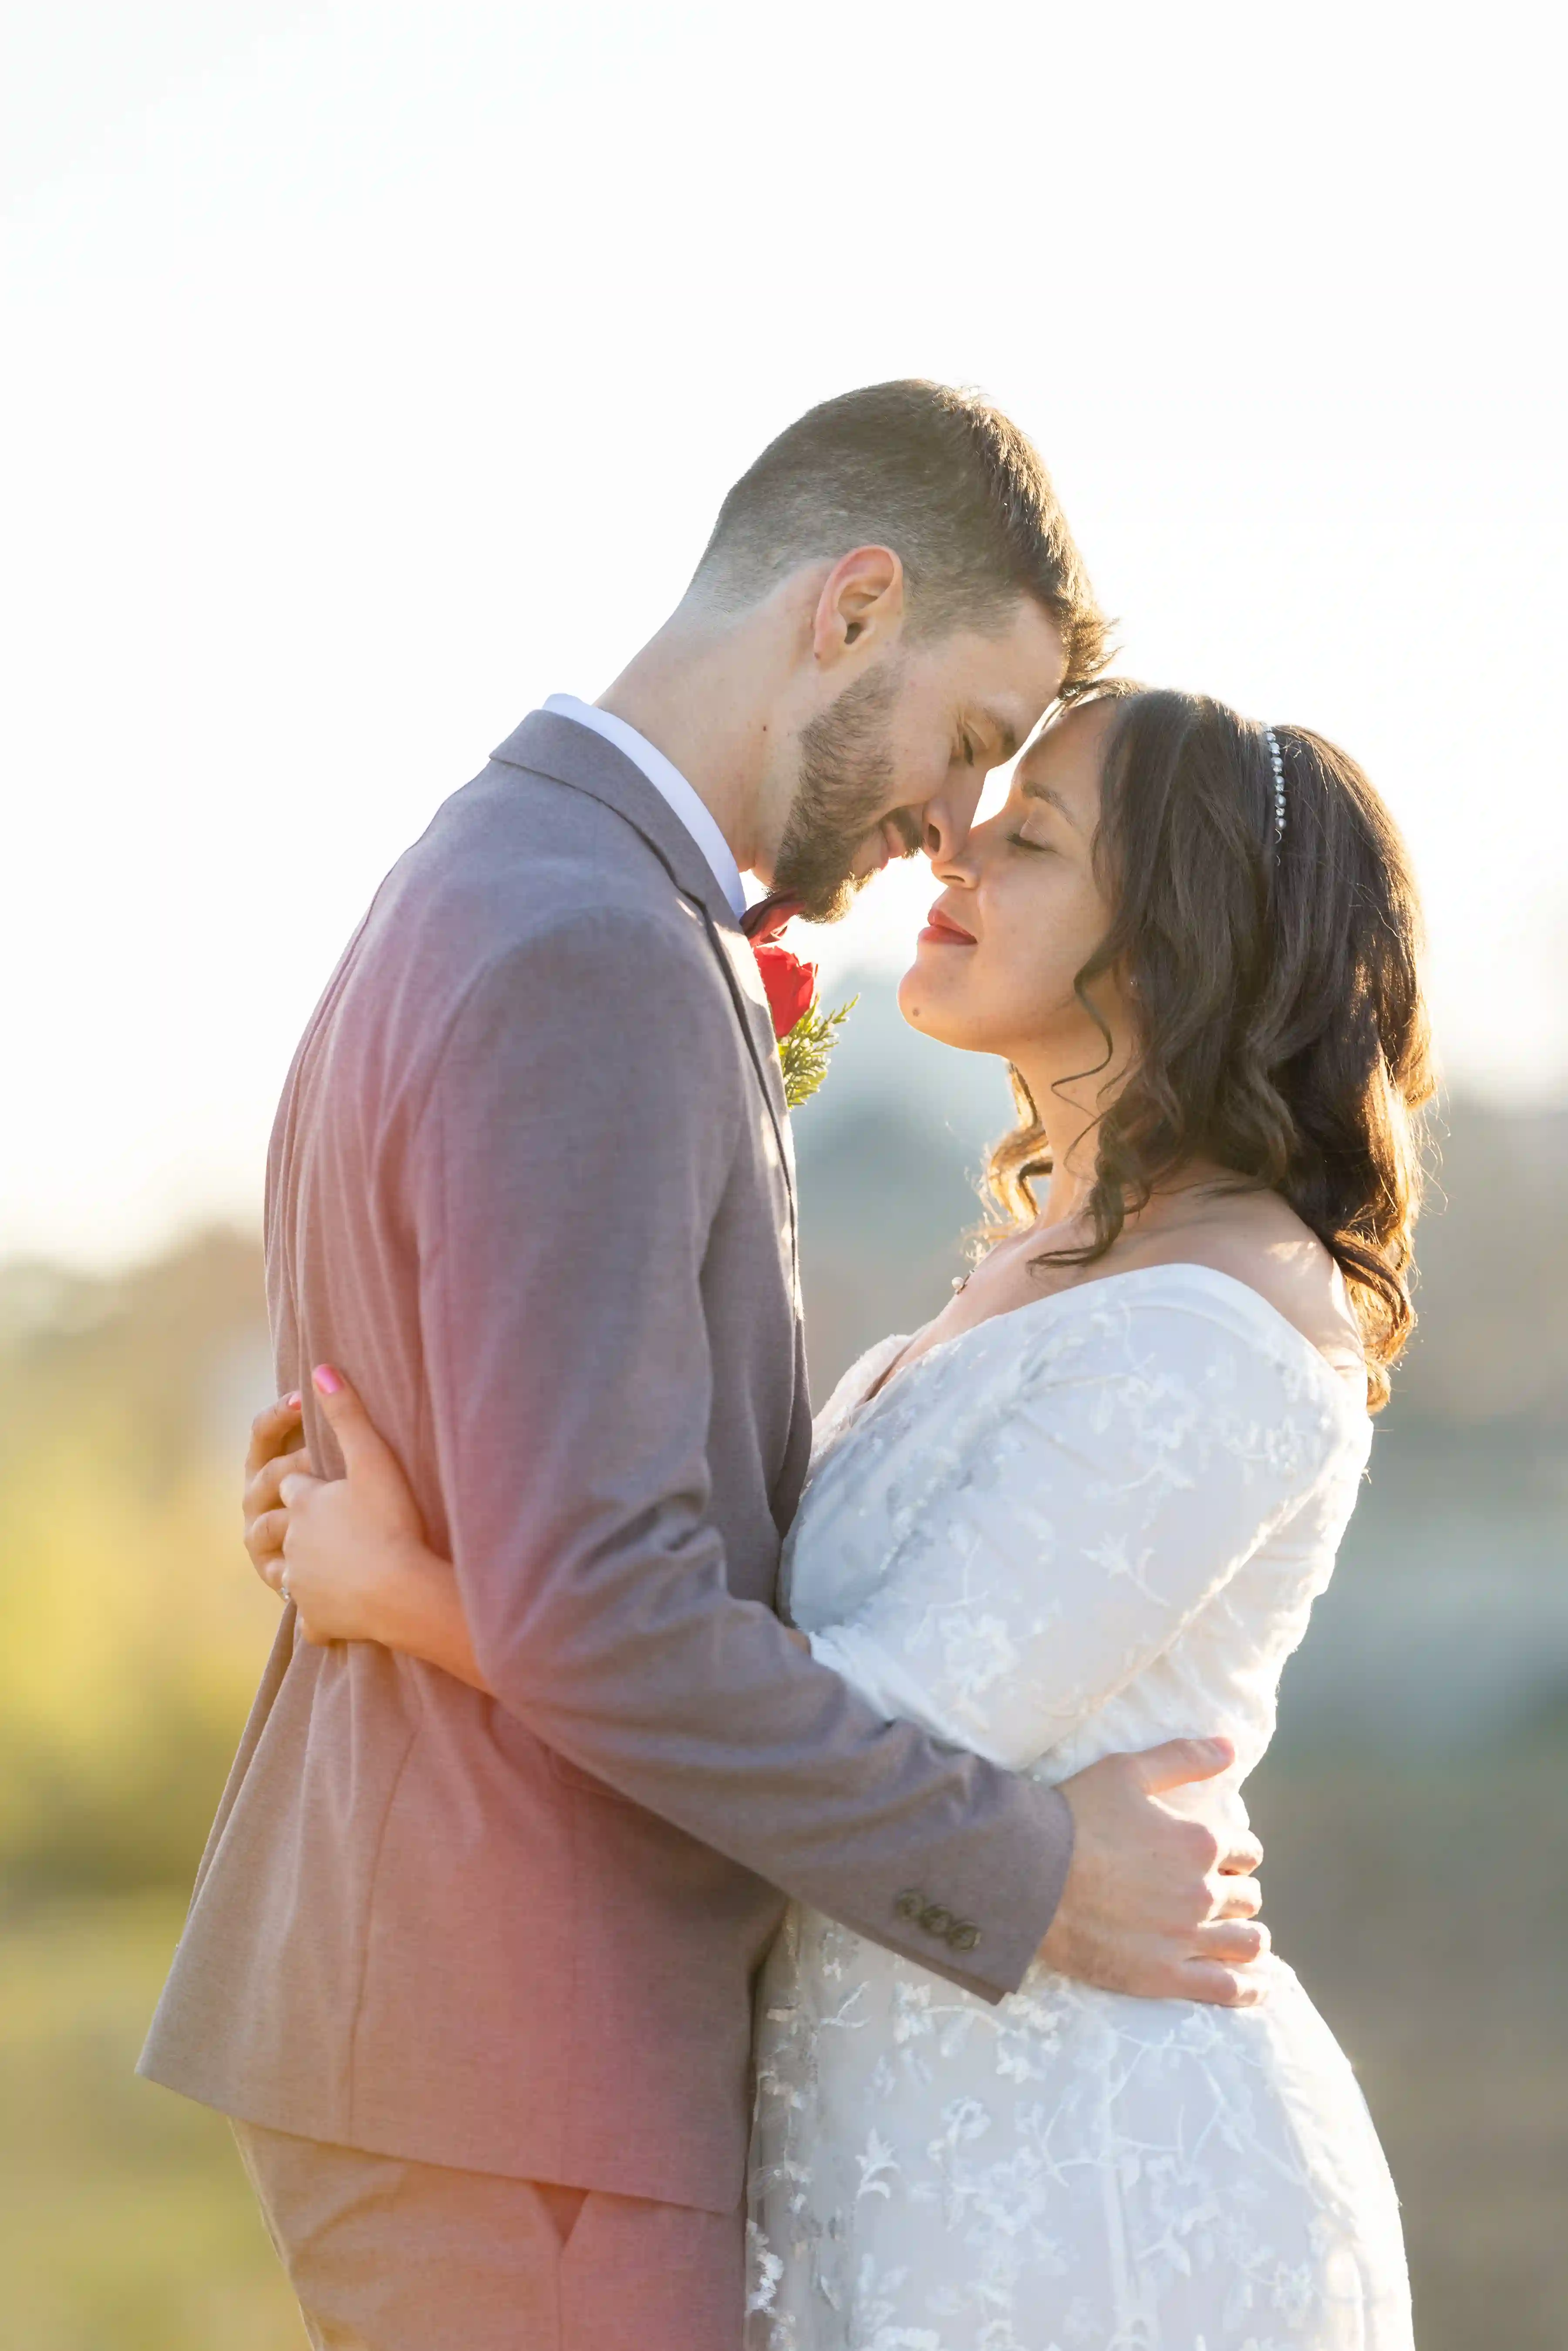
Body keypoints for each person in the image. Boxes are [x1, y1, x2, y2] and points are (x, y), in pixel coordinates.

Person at [140, 382, 1267, 2351]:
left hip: (470, 2038)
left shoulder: (500, 866)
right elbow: (609, 1608)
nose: (948, 824)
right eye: (968, 742)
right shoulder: (592, 945)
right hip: (522, 2047)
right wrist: (1038, 1873)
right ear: (849, 609)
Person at [252, 682, 1430, 2346]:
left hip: (1076, 2191)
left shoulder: (1218, 1330)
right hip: (894, 2147)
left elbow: (855, 1727)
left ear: (1180, 938)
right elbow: (757, 1626)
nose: (956, 844)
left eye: (1029, 840)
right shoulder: (1043, 1266)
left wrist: (410, 1591)